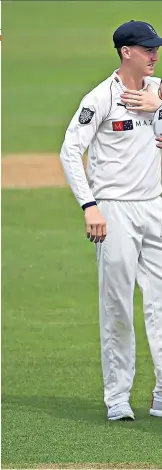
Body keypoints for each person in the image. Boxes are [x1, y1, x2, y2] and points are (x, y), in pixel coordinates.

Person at [60, 20, 162, 421]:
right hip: (114, 209)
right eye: (147, 48)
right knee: (117, 303)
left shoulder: (158, 91)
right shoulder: (100, 98)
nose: (154, 54)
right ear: (126, 52)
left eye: (156, 47)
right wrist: (90, 205)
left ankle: (161, 393)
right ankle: (118, 397)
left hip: (155, 205)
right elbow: (71, 151)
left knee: (161, 303)